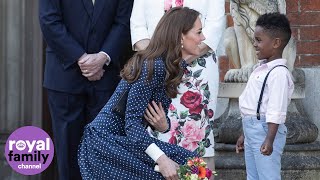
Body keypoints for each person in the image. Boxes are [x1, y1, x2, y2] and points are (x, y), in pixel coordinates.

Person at [78, 7, 204, 180]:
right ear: (181, 36)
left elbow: (157, 117)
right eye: (198, 32)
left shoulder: (173, 66)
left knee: (194, 168)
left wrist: (163, 125)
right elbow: (132, 124)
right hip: (104, 144)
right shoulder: (152, 66)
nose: (203, 38)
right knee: (191, 167)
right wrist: (162, 159)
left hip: (126, 143)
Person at [38, 1, 133, 179]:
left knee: (105, 151)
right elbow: (49, 20)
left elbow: (123, 21)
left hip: (106, 77)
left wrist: (103, 57)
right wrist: (81, 58)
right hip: (64, 78)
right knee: (67, 151)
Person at [130, 0, 225, 171]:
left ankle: (198, 174)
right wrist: (159, 60)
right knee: (157, 126)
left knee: (198, 135)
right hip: (157, 69)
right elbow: (138, 27)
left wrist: (177, 61)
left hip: (197, 70)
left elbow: (214, 27)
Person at [235, 13, 294, 180]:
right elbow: (253, 106)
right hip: (252, 129)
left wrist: (269, 139)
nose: (254, 44)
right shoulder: (260, 69)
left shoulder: (279, 74)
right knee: (253, 176)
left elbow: (276, 109)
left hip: (266, 131)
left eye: (259, 40)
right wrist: (244, 133)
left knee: (268, 176)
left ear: (276, 43)